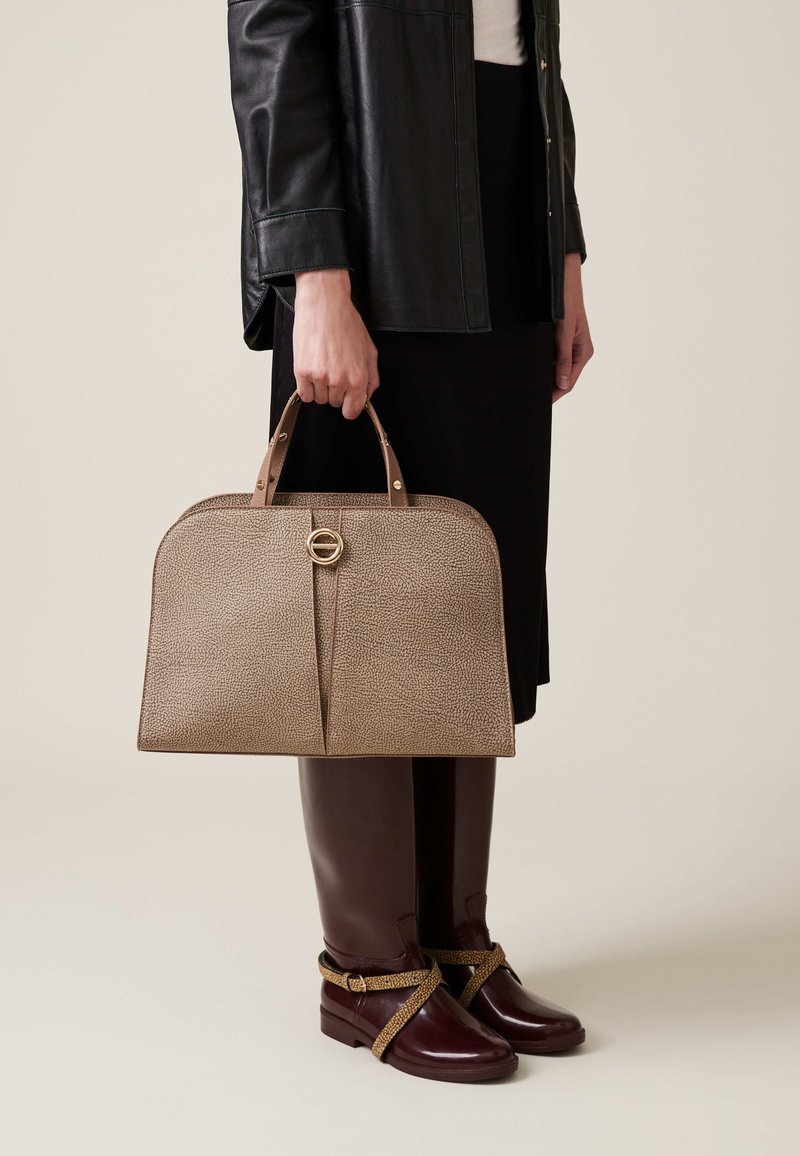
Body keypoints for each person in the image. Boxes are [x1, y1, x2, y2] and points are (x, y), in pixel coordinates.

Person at [227, 0, 594, 1082]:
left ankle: (448, 941)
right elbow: (273, 43)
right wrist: (313, 278)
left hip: (502, 205)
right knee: (361, 605)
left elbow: (529, 52)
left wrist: (559, 247)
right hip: (372, 227)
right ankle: (366, 965)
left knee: (464, 594)